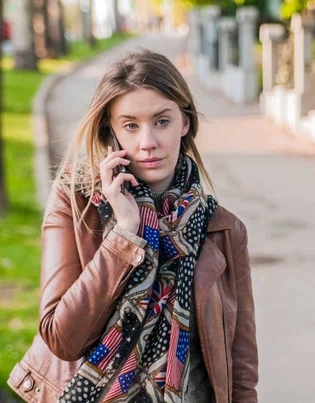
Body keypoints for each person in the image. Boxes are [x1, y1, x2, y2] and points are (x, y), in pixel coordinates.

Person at [7, 48, 259, 403]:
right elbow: (62, 339)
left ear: (185, 122)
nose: (148, 142)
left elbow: (241, 368)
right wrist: (124, 234)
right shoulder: (76, 203)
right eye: (131, 125)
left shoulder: (224, 231)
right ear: (111, 129)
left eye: (162, 121)